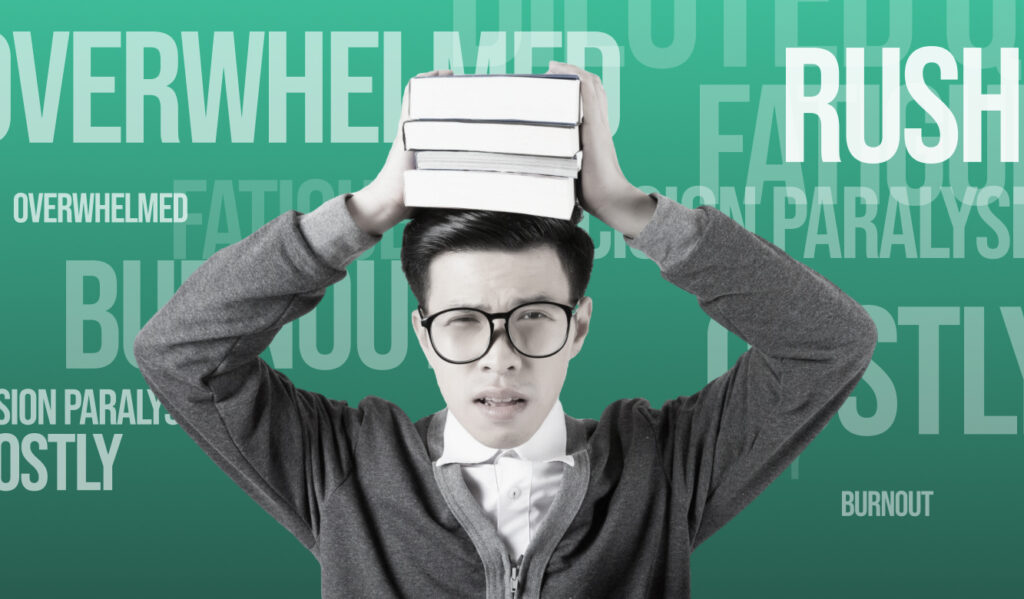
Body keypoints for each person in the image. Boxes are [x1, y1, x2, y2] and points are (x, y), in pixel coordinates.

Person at [134, 62, 877, 598]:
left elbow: (830, 341)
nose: (501, 359)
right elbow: (180, 352)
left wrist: (628, 206)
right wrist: (366, 209)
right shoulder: (347, 470)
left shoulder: (664, 467)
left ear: (579, 324)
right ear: (423, 335)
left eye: (533, 319)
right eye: (463, 323)